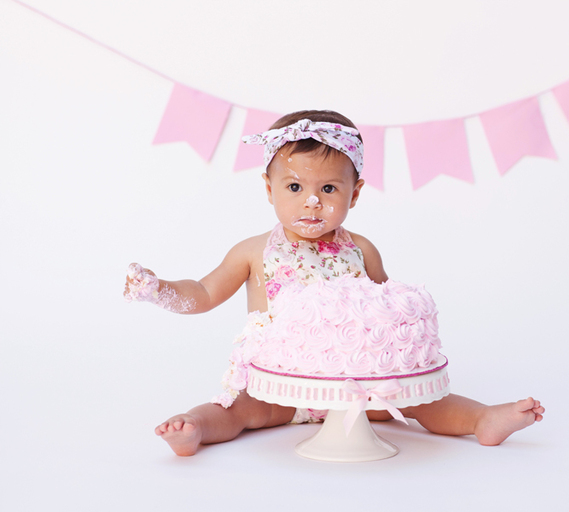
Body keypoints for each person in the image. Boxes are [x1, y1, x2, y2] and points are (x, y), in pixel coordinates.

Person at [124, 110, 545, 456]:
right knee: (235, 410)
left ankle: (482, 419)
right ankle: (192, 428)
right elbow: (202, 293)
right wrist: (158, 289)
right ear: (269, 189)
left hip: (355, 388)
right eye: (294, 186)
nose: (312, 201)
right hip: (281, 388)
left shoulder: (360, 249)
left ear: (354, 194)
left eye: (328, 188)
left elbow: (388, 314)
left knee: (423, 404)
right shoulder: (253, 251)